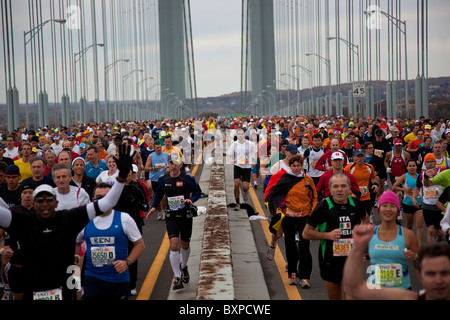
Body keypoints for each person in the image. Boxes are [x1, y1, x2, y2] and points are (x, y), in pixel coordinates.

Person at [0, 144, 133, 300]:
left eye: (49, 199)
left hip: (64, 287)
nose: (44, 203)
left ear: (56, 202)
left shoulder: (68, 218)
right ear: (33, 205)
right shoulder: (22, 220)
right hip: (33, 289)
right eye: (40, 200)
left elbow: (106, 203)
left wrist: (121, 177)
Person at [303, 173, 369, 300]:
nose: (340, 189)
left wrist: (362, 247)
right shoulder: (323, 207)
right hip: (330, 260)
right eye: (336, 186)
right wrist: (327, 235)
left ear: (349, 188)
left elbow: (365, 220)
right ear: (330, 189)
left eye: (343, 186)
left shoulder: (355, 203)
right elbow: (306, 233)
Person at [75, 182, 145, 300]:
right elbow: (76, 245)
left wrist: (127, 262)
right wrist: (76, 268)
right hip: (93, 278)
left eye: (106, 197)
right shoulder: (85, 220)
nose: (102, 201)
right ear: (93, 199)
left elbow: (140, 245)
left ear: (113, 199)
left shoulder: (124, 219)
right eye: (98, 198)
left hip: (118, 280)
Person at [343, 224, 450, 300]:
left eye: (444, 273)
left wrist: (414, 257)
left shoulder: (407, 235)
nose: (438, 280)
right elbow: (353, 288)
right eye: (431, 274)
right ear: (420, 275)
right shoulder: (409, 297)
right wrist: (358, 246)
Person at [146, 152, 202, 290]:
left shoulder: (188, 178)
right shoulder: (163, 179)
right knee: (174, 244)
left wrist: (191, 200)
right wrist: (154, 207)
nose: (174, 166)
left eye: (176, 163)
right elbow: (159, 193)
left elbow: (197, 192)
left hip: (185, 215)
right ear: (168, 164)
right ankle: (177, 277)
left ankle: (183, 267)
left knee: (185, 245)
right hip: (171, 215)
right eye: (171, 163)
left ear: (180, 164)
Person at [265, 154, 317, 288]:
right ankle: (293, 273)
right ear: (290, 166)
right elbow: (276, 195)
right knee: (290, 246)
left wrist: (311, 213)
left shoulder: (308, 180)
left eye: (298, 165)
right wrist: (278, 210)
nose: (296, 168)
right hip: (288, 217)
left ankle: (304, 277)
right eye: (293, 166)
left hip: (304, 216)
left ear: (302, 166)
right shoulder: (285, 179)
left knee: (304, 246)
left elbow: (314, 198)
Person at [367, 190, 419, 290]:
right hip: (375, 292)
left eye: (392, 206)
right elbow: (357, 261)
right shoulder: (369, 234)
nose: (388, 209)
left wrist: (414, 256)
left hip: (401, 292)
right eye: (384, 205)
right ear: (379, 209)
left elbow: (419, 266)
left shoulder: (408, 235)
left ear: (398, 210)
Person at [0, 182, 36, 300]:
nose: (27, 195)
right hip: (16, 267)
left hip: (36, 269)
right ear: (20, 195)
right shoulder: (11, 213)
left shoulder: (41, 213)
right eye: (24, 193)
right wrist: (2, 250)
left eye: (30, 192)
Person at [393, 160, 424, 247]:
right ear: (407, 167)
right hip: (408, 203)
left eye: (413, 165)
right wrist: (404, 190)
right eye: (410, 166)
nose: (412, 167)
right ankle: (408, 243)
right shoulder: (404, 177)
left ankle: (419, 246)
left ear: (416, 167)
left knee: (420, 225)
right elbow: (394, 187)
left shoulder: (420, 176)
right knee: (409, 225)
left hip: (419, 203)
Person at [415, 153, 445, 243]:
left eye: (432, 161)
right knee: (430, 230)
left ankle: (440, 235)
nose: (430, 163)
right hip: (427, 205)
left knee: (438, 230)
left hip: (439, 205)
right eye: (427, 162)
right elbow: (417, 187)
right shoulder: (421, 175)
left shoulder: (441, 173)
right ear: (425, 163)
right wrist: (414, 198)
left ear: (435, 162)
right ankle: (431, 253)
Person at [226, 128, 258, 211]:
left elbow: (256, 152)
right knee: (236, 184)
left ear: (244, 135)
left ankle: (245, 191)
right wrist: (231, 160)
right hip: (237, 166)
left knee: (245, 186)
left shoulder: (250, 144)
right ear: (237, 135)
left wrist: (254, 161)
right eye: (239, 134)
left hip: (247, 167)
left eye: (241, 134)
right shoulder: (234, 144)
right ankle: (237, 203)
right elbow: (228, 154)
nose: (240, 135)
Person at [344, 149, 379, 220]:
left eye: (361, 156)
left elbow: (374, 177)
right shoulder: (349, 168)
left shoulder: (369, 167)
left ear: (364, 157)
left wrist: (375, 184)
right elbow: (344, 182)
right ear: (354, 157)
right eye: (358, 156)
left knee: (366, 218)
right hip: (353, 197)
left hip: (366, 197)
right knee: (354, 219)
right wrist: (349, 192)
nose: (360, 158)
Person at [145, 140, 169, 220]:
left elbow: (170, 164)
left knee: (164, 196)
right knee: (157, 196)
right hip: (155, 179)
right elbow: (146, 168)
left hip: (164, 178)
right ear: (154, 148)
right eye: (157, 148)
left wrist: (168, 168)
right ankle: (159, 211)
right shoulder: (151, 156)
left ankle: (164, 211)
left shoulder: (166, 155)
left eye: (160, 147)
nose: (159, 149)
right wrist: (154, 168)